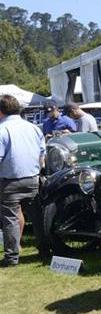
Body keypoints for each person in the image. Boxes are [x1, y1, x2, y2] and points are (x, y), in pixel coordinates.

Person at [0, 95, 46, 267]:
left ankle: (12, 257)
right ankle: (44, 249)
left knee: (10, 219)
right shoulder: (33, 127)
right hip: (33, 178)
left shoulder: (2, 129)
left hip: (9, 181)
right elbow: (43, 154)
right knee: (38, 217)